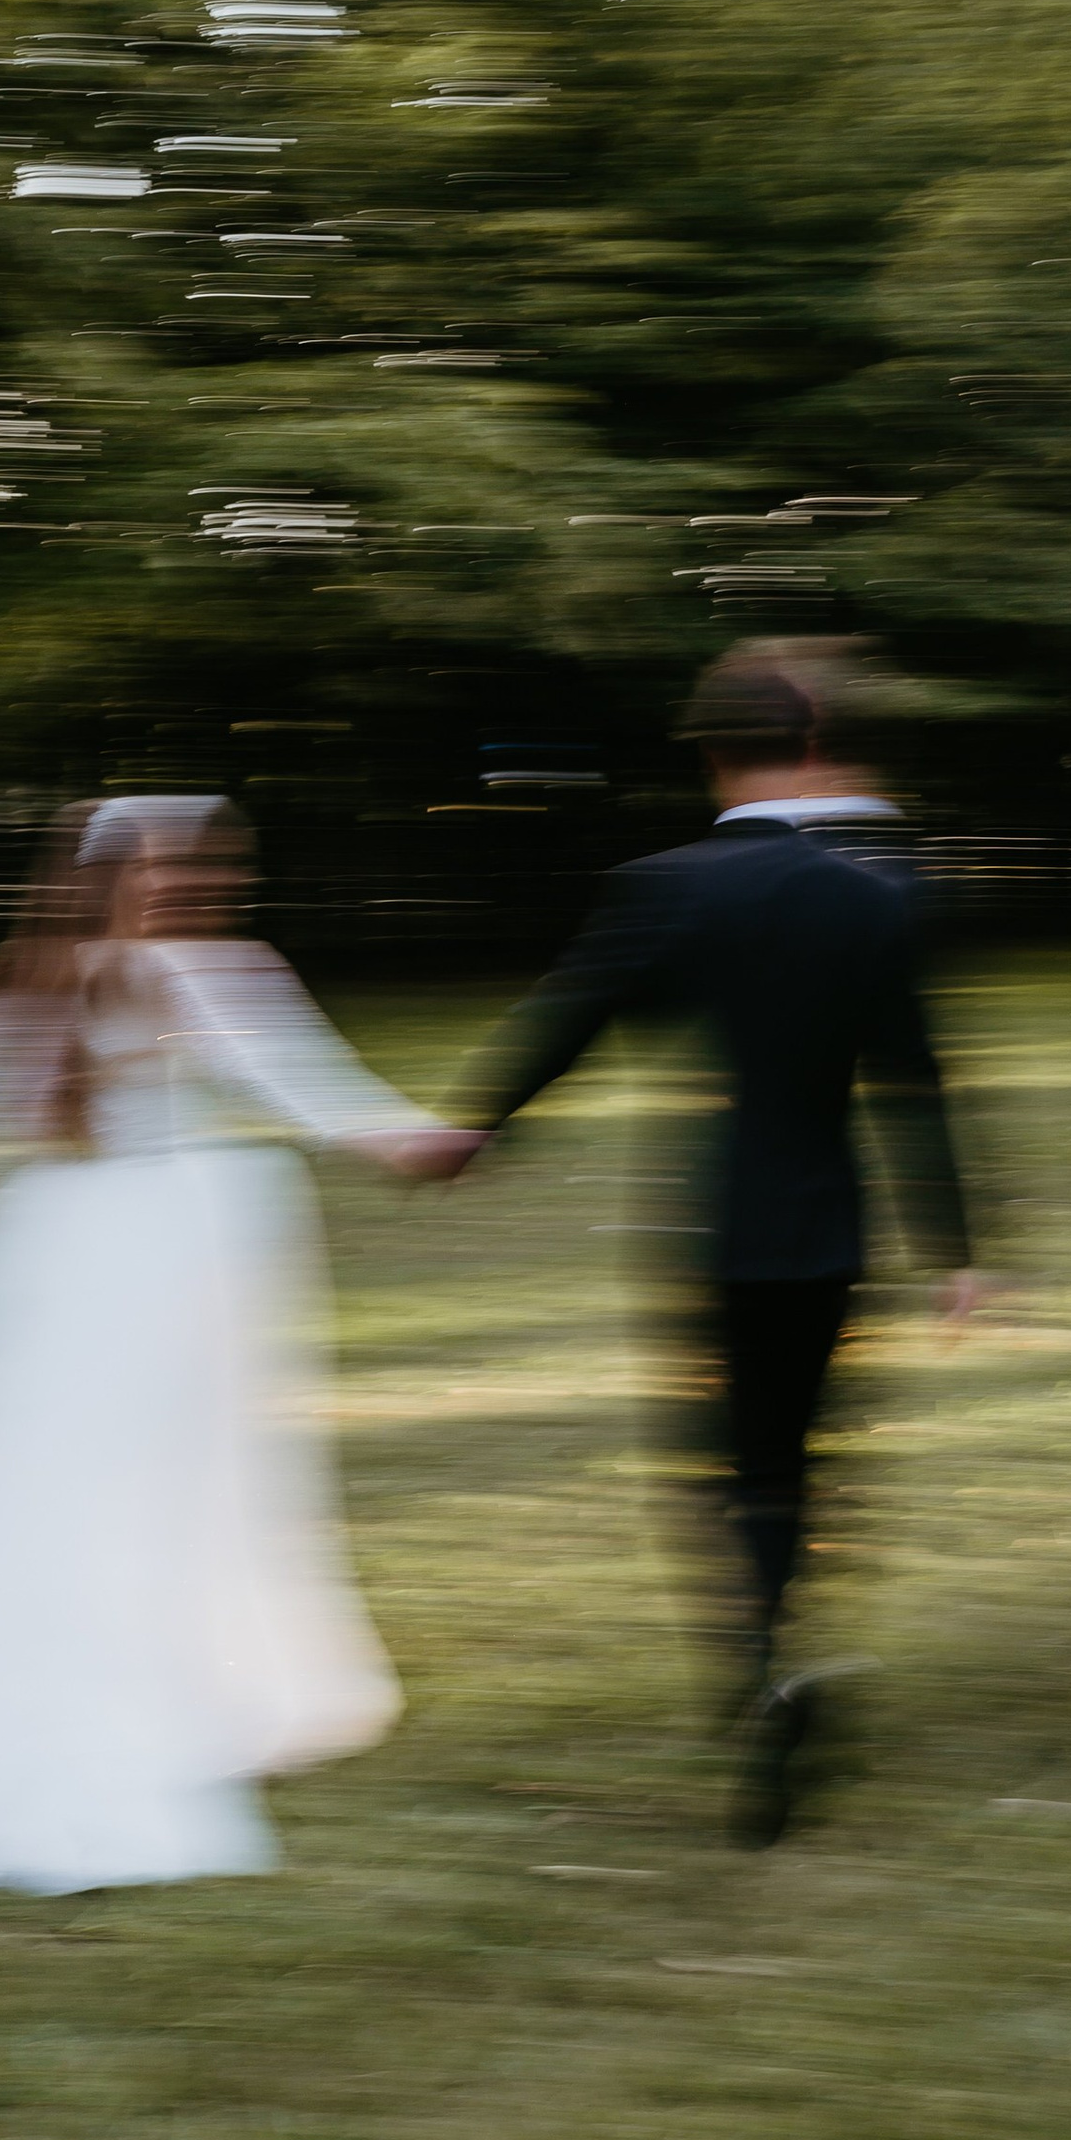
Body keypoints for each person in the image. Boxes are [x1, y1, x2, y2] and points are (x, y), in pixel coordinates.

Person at [0, 795, 453, 1898]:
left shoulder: (24, 973)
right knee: (172, 1476)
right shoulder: (203, 971)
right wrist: (420, 1144)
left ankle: (51, 1682)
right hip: (162, 1254)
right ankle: (171, 1688)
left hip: (59, 1258)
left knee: (36, 1481)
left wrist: (11, 1231)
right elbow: (302, 1086)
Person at [418, 644, 980, 1845]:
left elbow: (569, 1015)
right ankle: (784, 1647)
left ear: (715, 759)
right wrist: (958, 1248)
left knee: (718, 1469)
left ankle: (757, 1666)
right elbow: (917, 1080)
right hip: (829, 1226)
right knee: (800, 1458)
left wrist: (477, 1126)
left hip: (716, 1226)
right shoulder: (878, 892)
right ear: (812, 745)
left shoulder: (667, 884)